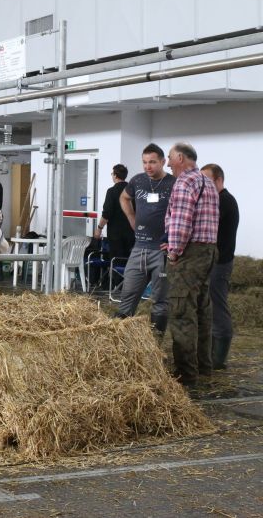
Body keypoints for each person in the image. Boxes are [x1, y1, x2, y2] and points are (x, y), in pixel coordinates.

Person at [164, 143, 219, 387]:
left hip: (190, 253)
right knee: (202, 310)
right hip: (208, 251)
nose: (167, 164)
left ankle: (185, 375)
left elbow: (181, 221)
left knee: (181, 311)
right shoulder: (207, 182)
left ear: (180, 158)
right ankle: (204, 368)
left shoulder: (185, 182)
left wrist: (174, 251)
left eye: (168, 158)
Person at [116, 143, 176, 336]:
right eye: (144, 162)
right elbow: (124, 198)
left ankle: (154, 346)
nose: (148, 166)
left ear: (163, 162)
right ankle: (120, 343)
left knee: (160, 300)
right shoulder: (138, 181)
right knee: (127, 295)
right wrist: (131, 218)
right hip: (139, 247)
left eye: (152, 162)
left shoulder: (173, 183)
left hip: (162, 250)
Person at [200, 164, 238, 371]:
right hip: (214, 261)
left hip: (220, 263)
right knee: (211, 306)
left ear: (219, 180)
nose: (204, 185)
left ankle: (219, 359)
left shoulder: (224, 202)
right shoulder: (219, 200)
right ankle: (213, 355)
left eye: (207, 181)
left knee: (218, 306)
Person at [94, 163, 135, 262]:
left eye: (112, 173)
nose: (112, 175)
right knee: (129, 262)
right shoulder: (132, 190)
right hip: (131, 233)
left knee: (116, 263)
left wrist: (99, 229)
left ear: (115, 175)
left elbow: (107, 213)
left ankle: (116, 278)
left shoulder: (112, 191)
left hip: (116, 235)